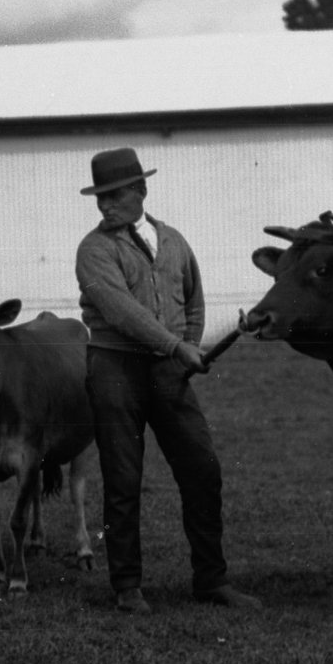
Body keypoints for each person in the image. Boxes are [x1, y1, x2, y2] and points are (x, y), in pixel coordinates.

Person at [74, 146, 258, 615]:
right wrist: (178, 348)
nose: (105, 206)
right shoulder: (93, 249)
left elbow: (193, 300)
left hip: (167, 372)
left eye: (114, 195)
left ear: (141, 190)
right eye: (100, 198)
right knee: (123, 479)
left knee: (202, 470)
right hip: (114, 370)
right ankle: (128, 586)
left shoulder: (173, 241)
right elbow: (122, 312)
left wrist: (185, 346)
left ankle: (211, 580)